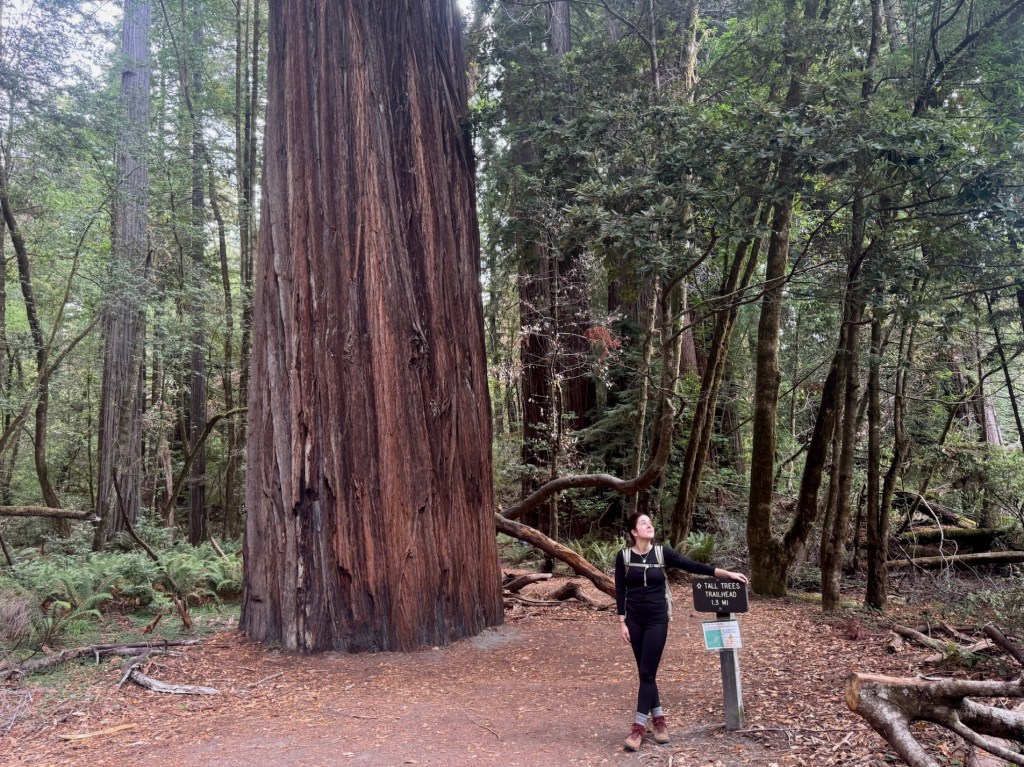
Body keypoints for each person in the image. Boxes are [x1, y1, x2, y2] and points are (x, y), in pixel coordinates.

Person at [614, 511, 749, 751]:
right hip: (634, 621)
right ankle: (659, 721)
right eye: (643, 523)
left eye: (650, 522)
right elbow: (621, 590)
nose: (649, 525)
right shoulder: (623, 556)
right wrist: (622, 622)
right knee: (647, 674)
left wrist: (726, 573)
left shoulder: (662, 553)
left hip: (657, 620)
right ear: (634, 532)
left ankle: (637, 729)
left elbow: (692, 565)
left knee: (647, 672)